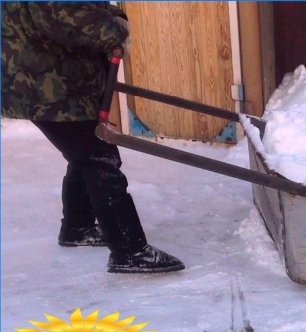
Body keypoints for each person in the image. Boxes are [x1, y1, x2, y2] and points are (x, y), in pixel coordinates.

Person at [1, 2, 185, 273]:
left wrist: (114, 16)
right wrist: (115, 30)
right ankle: (129, 251)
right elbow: (70, 15)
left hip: (50, 83)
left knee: (84, 153)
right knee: (98, 158)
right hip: (48, 87)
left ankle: (78, 226)